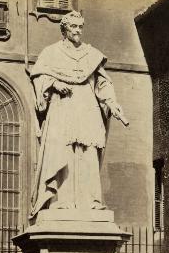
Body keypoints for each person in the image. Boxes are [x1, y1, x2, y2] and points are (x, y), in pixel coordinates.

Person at [29, 11, 127, 219]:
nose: (78, 31)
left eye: (80, 27)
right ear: (64, 30)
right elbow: (39, 77)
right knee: (63, 152)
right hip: (62, 107)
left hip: (86, 106)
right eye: (73, 27)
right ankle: (63, 202)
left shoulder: (92, 55)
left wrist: (112, 102)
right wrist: (55, 83)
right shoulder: (51, 53)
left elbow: (102, 82)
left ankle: (91, 201)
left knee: (88, 152)